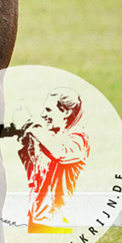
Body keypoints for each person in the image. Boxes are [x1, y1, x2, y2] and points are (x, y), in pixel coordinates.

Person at [15, 88, 89, 233]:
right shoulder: (50, 137)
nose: (43, 114)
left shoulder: (79, 138)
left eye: (48, 110)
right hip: (38, 218)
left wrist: (35, 130)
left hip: (59, 220)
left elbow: (60, 153)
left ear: (66, 112)